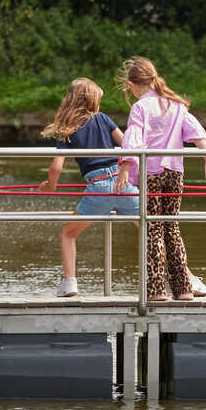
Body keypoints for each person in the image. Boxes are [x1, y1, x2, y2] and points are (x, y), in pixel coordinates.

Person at [119, 56, 206, 301]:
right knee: (172, 227)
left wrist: (124, 167)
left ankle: (155, 291)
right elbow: (194, 131)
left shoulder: (140, 107)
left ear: (132, 84)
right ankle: (183, 288)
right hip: (175, 172)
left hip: (151, 173)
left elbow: (132, 139)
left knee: (153, 229)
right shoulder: (175, 104)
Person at [40, 77, 136, 298]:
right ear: (92, 99)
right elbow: (128, 146)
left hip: (98, 186)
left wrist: (51, 187)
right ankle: (184, 277)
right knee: (154, 230)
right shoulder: (102, 119)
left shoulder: (66, 128)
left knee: (68, 234)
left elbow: (56, 167)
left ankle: (70, 283)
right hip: (123, 183)